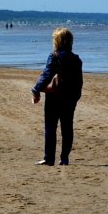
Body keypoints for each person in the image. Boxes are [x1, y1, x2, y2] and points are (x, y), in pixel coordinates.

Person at [31, 26, 83, 166]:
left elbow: (47, 76)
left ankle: (49, 158)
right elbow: (79, 82)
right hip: (70, 97)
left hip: (54, 97)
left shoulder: (55, 56)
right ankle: (64, 158)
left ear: (57, 41)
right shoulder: (76, 59)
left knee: (50, 127)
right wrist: (75, 97)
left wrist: (36, 90)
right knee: (67, 128)